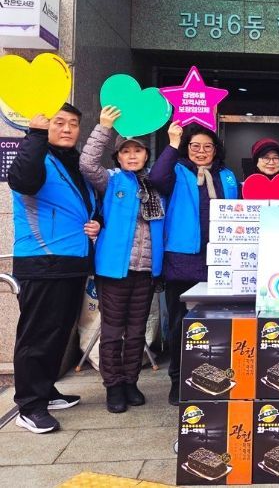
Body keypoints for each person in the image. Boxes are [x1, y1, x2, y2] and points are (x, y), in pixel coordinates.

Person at [8, 104, 100, 434]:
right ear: (45, 125)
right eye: (59, 122)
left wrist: (96, 223)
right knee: (38, 336)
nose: (67, 129)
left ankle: (45, 390)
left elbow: (83, 206)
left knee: (59, 332)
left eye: (73, 123)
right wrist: (33, 134)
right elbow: (22, 180)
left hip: (71, 261)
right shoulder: (37, 155)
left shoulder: (71, 162)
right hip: (42, 261)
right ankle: (29, 406)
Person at [79, 105, 165, 414]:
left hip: (146, 271)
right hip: (114, 270)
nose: (131, 155)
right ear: (117, 156)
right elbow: (88, 163)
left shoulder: (156, 185)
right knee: (113, 332)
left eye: (137, 150)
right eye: (125, 151)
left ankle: (131, 381)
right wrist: (103, 127)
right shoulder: (111, 181)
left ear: (146, 155)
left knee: (137, 331)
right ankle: (113, 385)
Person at [149, 121, 238, 405]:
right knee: (181, 324)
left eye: (207, 146)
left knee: (217, 324)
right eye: (195, 146)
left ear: (216, 149)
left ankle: (215, 377)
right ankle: (178, 381)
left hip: (220, 261)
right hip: (182, 260)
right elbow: (156, 179)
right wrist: (173, 144)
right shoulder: (176, 170)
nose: (201, 151)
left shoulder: (227, 175)